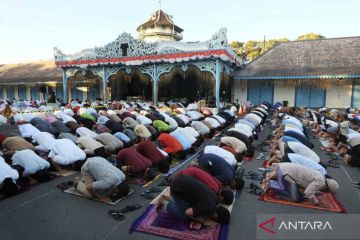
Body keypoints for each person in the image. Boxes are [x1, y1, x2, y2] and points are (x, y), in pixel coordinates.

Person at [156, 175, 230, 227]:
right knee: (184, 217)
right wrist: (203, 221)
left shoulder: (216, 201)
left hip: (183, 180)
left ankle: (171, 199)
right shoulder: (208, 207)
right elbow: (188, 212)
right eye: (215, 220)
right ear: (216, 216)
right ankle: (165, 203)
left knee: (194, 211)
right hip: (177, 188)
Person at [262, 163, 338, 205]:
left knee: (299, 193)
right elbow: (308, 193)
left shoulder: (320, 176)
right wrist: (316, 203)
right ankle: (271, 184)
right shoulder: (321, 182)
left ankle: (273, 180)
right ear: (327, 188)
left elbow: (307, 183)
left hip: (282, 168)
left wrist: (316, 191)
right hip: (285, 174)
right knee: (296, 198)